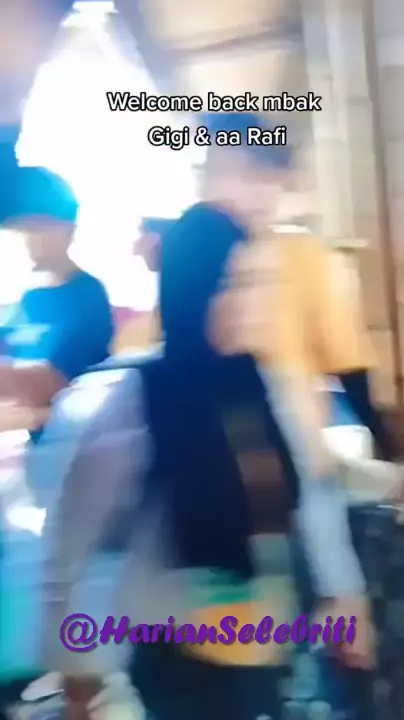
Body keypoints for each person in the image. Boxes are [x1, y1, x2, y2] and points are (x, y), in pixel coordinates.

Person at [0, 166, 113, 449]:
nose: (27, 238)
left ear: (68, 229)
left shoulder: (85, 294)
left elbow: (57, 384)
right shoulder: (27, 299)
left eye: (37, 227)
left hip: (73, 450)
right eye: (20, 228)